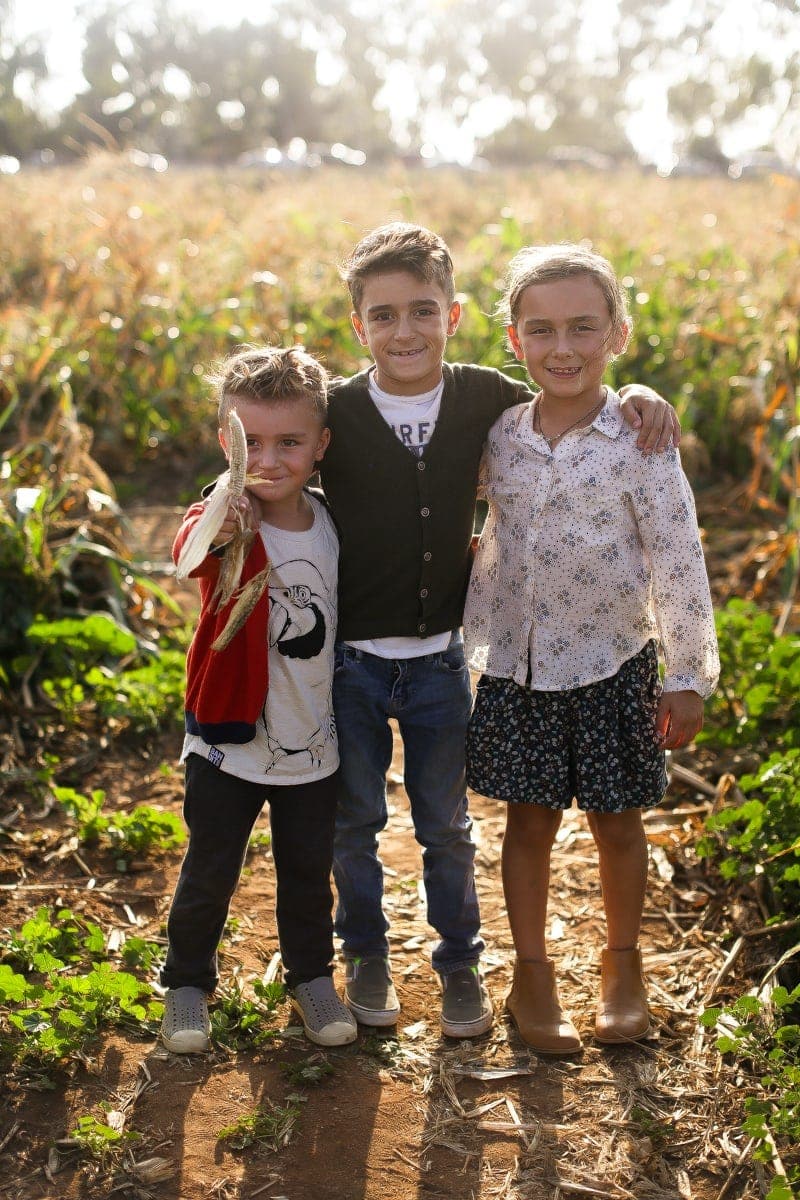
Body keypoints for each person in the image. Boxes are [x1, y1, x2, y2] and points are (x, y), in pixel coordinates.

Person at [319, 223, 681, 1039]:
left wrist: (638, 396)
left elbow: (667, 541)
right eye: (385, 316)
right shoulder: (383, 414)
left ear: (454, 316)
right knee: (400, 820)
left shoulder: (519, 407)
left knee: (506, 823)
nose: (405, 331)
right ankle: (432, 964)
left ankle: (549, 971)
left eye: (424, 311)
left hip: (536, 657)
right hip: (427, 660)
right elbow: (285, 457)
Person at [463, 244, 719, 1053]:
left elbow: (680, 557)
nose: (563, 347)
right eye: (541, 330)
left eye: (583, 327)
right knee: (528, 822)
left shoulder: (642, 438)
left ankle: (622, 966)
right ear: (514, 340)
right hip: (520, 663)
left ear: (618, 333)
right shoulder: (498, 435)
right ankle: (531, 979)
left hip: (615, 660)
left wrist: (687, 674)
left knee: (617, 822)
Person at [160, 345, 357, 1053]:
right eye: (253, 444)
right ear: (227, 443)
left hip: (314, 744)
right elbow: (186, 555)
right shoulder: (225, 520)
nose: (270, 461)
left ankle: (310, 977)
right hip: (226, 740)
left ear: (321, 445)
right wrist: (224, 512)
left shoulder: (334, 526)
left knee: (308, 873)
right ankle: (187, 983)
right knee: (211, 866)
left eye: (290, 442)